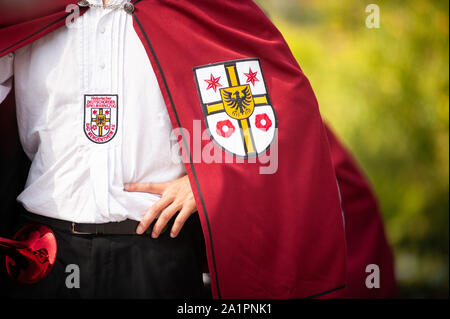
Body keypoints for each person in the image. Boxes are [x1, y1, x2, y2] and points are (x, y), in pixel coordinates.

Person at [0, 0, 394, 299]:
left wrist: (210, 178)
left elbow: (279, 116)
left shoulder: (199, 14)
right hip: (43, 255)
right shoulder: (27, 14)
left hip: (157, 254)